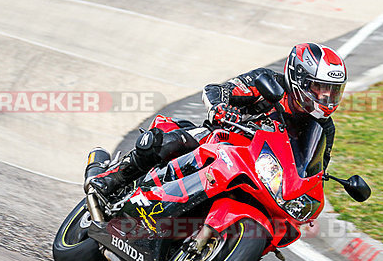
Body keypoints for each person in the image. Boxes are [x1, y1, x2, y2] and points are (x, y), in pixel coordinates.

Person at [85, 43, 347, 200]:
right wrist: (222, 108)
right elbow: (218, 90)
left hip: (259, 171)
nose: (326, 97)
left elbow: (315, 168)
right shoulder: (267, 82)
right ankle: (112, 179)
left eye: (333, 91)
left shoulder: (324, 127)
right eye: (319, 88)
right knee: (176, 140)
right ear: (298, 78)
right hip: (220, 141)